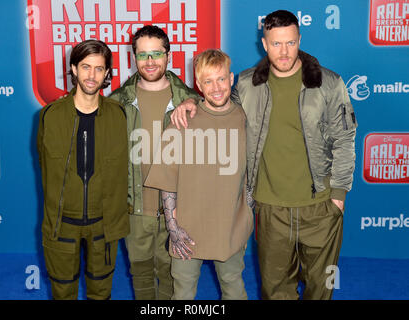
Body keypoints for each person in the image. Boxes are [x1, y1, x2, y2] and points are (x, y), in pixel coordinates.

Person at [170, 10, 357, 300]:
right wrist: (191, 101)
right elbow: (219, 105)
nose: (284, 52)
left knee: (322, 289)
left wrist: (338, 195)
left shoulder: (329, 83)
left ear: (299, 40)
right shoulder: (247, 84)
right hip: (270, 209)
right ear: (264, 43)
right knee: (274, 291)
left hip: (321, 207)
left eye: (290, 43)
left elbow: (345, 139)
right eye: (276, 44)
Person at [144, 49, 253, 300]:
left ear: (231, 78)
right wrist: (173, 228)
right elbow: (167, 181)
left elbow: (252, 172)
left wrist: (246, 216)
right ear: (198, 84)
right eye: (208, 81)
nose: (216, 87)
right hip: (187, 231)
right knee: (182, 293)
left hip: (230, 228)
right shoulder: (182, 120)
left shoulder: (245, 118)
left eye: (221, 79)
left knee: (234, 288)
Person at [109, 25, 200, 300]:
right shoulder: (116, 104)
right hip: (134, 210)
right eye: (143, 54)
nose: (150, 62)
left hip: (178, 211)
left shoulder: (192, 102)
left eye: (156, 54)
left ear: (169, 56)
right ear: (133, 57)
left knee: (174, 278)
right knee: (141, 276)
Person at [37, 39, 128, 300]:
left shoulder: (118, 115)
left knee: (101, 293)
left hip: (104, 223)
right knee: (62, 292)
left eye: (99, 69)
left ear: (107, 73)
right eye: (86, 67)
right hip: (62, 224)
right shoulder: (49, 115)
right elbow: (43, 162)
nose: (92, 75)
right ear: (74, 69)